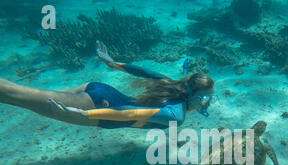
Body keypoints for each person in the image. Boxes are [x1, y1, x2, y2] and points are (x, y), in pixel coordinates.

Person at [0, 41, 215, 129]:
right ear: (192, 93)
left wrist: (113, 63)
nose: (208, 102)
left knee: (13, 96)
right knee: (13, 93)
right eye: (206, 97)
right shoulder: (176, 115)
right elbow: (130, 113)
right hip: (98, 107)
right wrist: (85, 115)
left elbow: (146, 72)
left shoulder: (174, 85)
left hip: (98, 90)